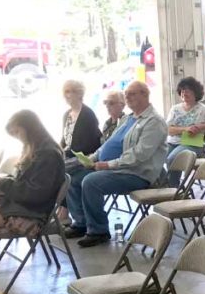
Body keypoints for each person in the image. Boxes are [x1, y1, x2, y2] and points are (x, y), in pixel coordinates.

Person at [0, 110, 65, 293]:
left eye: (17, 132)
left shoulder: (48, 154)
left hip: (28, 210)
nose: (17, 138)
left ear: (28, 128)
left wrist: (3, 183)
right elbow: (24, 183)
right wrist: (2, 182)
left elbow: (36, 194)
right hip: (17, 200)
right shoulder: (36, 148)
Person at [64, 81, 167, 247]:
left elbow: (139, 155)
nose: (127, 97)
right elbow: (109, 143)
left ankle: (99, 231)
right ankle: (81, 223)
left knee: (91, 182)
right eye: (126, 94)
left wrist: (108, 165)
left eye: (132, 93)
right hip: (116, 168)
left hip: (136, 173)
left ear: (145, 95)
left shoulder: (154, 121)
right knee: (71, 177)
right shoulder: (128, 118)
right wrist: (93, 157)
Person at [164, 77, 205, 187]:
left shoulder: (203, 109)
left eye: (187, 90)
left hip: (192, 143)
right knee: (155, 158)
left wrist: (201, 126)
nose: (184, 93)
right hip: (172, 142)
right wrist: (184, 129)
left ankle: (173, 189)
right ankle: (163, 186)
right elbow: (167, 129)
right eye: (182, 90)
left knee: (173, 159)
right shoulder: (175, 109)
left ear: (195, 93)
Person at [59, 80, 101, 160]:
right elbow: (64, 140)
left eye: (68, 92)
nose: (65, 95)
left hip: (82, 158)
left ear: (79, 93)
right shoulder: (66, 115)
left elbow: (89, 145)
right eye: (64, 92)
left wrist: (65, 153)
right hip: (67, 155)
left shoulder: (88, 114)